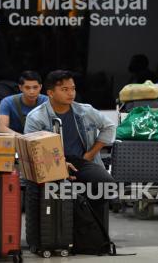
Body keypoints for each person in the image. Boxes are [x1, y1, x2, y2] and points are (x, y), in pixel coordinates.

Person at [24, 70, 116, 223]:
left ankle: (87, 225)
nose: (71, 93)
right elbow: (31, 148)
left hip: (81, 160)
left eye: (73, 88)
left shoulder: (84, 111)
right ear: (51, 93)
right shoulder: (36, 117)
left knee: (106, 184)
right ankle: (67, 227)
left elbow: (109, 126)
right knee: (55, 191)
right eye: (65, 89)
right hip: (49, 163)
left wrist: (91, 154)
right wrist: (58, 166)